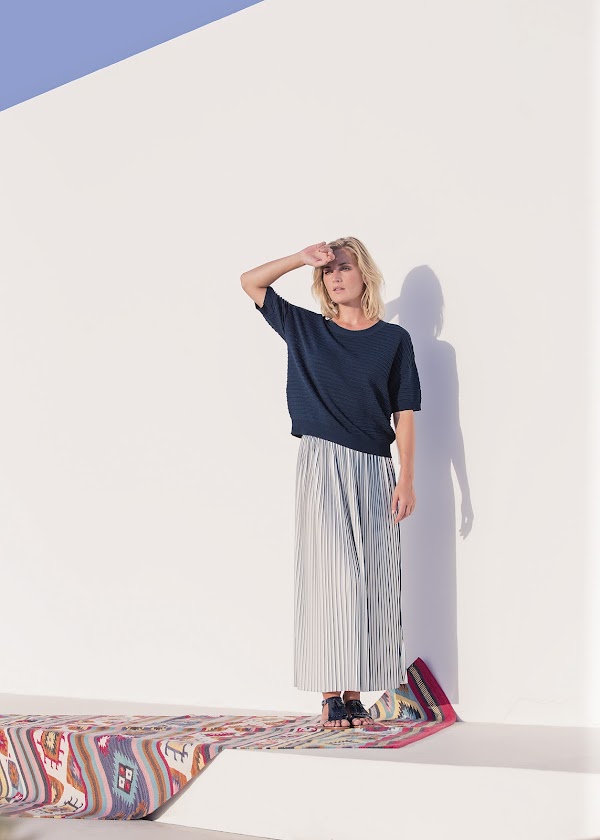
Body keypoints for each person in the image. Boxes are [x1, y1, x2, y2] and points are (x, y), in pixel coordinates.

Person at [240, 237, 421, 729]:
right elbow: (250, 282)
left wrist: (406, 478)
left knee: (373, 577)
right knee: (330, 576)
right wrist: (301, 258)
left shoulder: (393, 340)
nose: (335, 276)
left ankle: (356, 691)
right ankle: (329, 694)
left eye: (344, 267)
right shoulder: (306, 329)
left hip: (375, 465)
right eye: (327, 271)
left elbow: (405, 412)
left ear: (365, 274)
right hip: (322, 461)